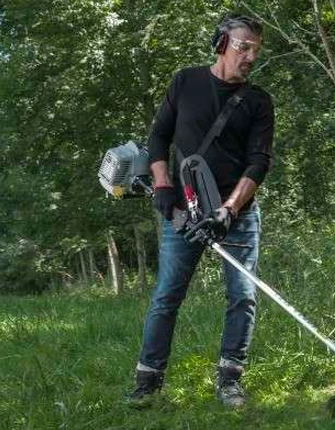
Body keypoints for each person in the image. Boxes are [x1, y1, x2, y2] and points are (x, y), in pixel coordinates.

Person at [125, 12, 274, 408]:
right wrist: (161, 183)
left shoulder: (258, 101)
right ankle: (147, 382)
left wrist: (228, 210)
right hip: (184, 212)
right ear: (222, 43)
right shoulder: (185, 81)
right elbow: (158, 137)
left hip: (237, 215)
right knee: (166, 296)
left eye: (256, 51)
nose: (250, 57)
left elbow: (258, 162)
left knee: (242, 296)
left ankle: (229, 380)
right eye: (244, 47)